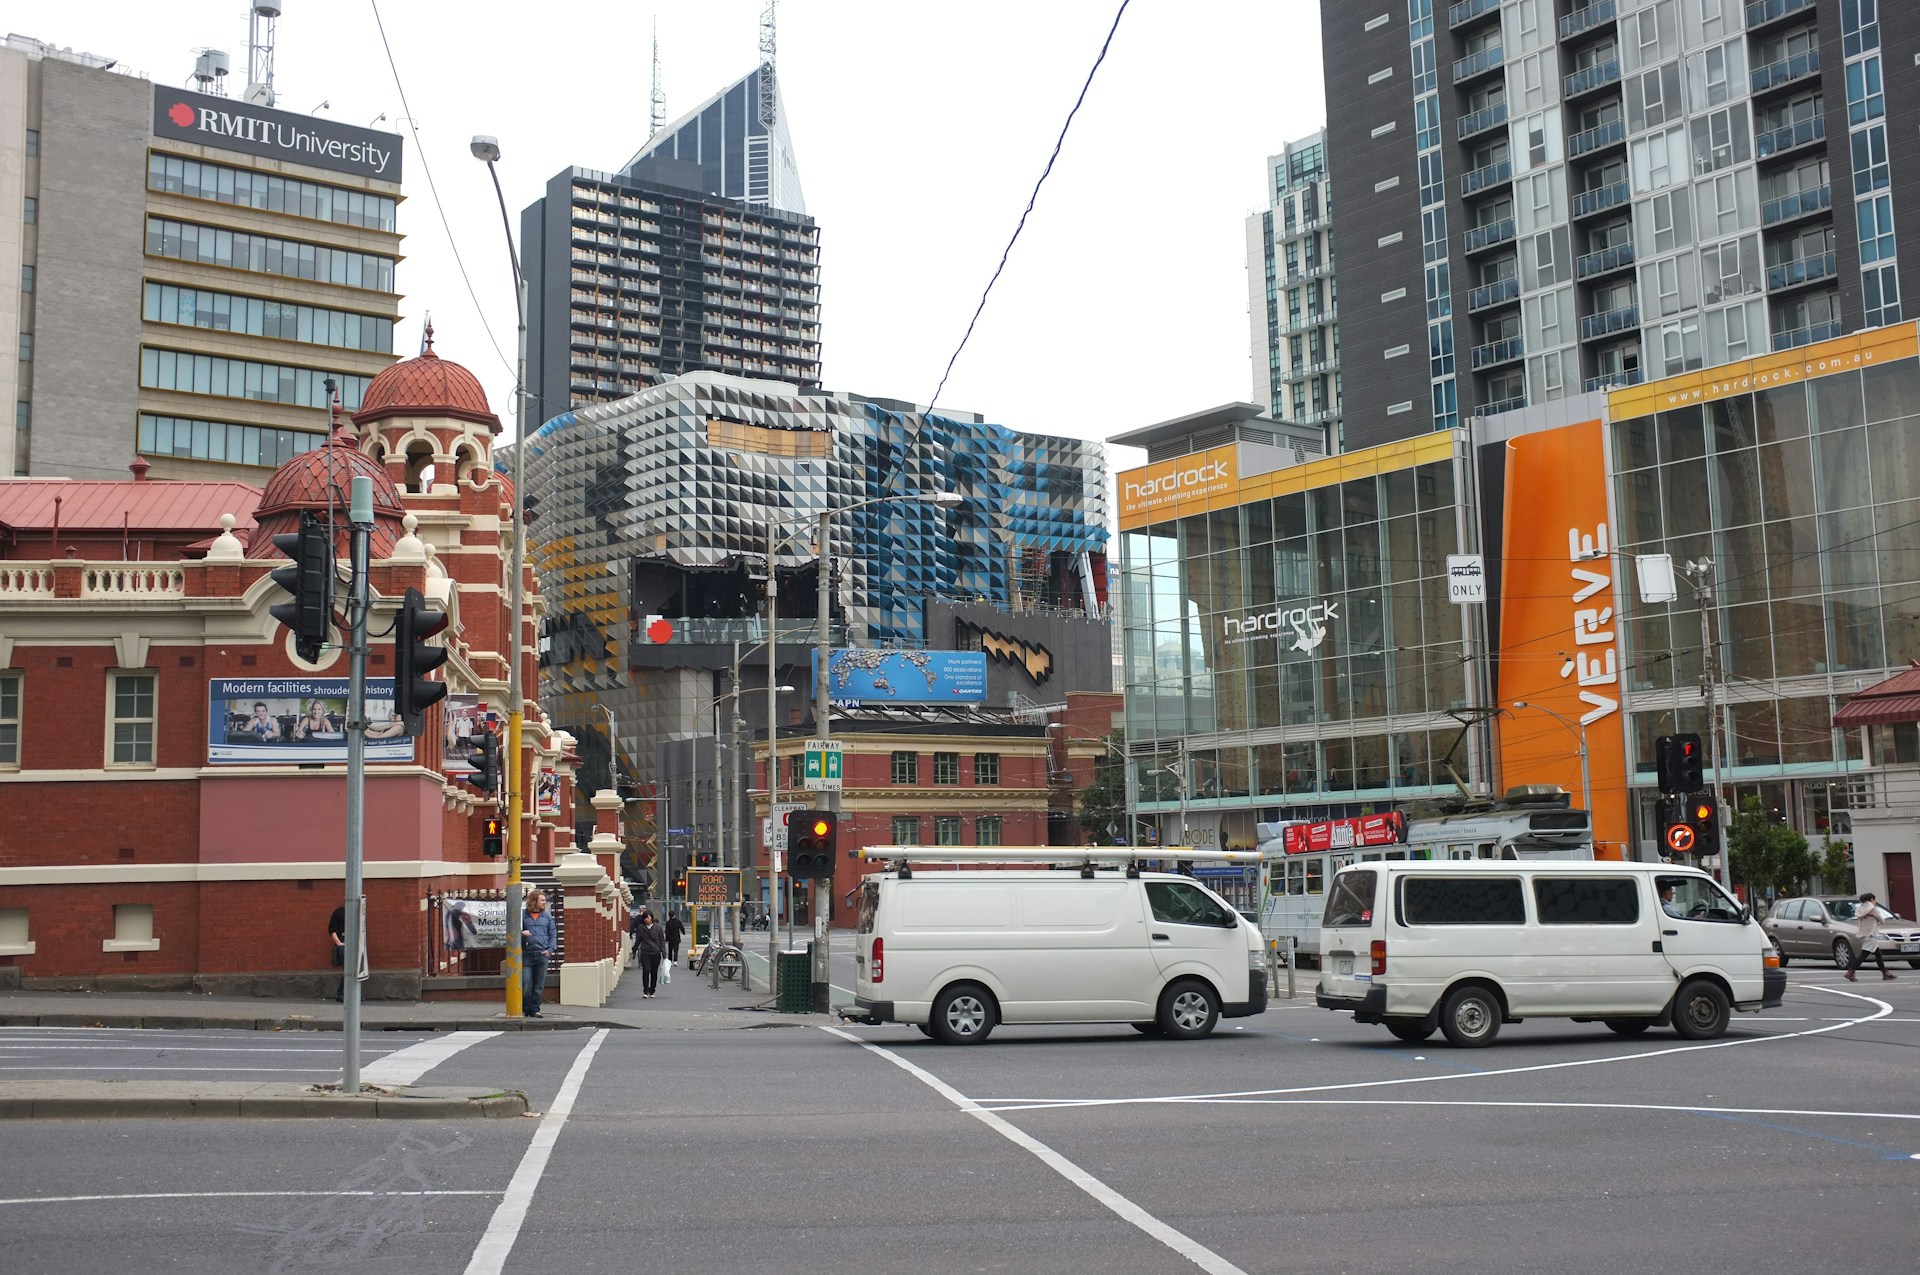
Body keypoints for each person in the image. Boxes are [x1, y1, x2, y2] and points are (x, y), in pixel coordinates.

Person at [1845, 891, 1898, 982]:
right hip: (1872, 933)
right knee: (1863, 954)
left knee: (1878, 954)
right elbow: (1882, 920)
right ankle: (1851, 971)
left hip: (1864, 933)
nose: (1875, 902)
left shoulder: (1860, 908)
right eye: (1874, 900)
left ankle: (1885, 973)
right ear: (1871, 899)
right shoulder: (1873, 908)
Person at [521, 890, 557, 1016]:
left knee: (538, 985)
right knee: (526, 984)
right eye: (541, 900)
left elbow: (553, 934)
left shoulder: (547, 916)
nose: (544, 902)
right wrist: (522, 933)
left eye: (544, 900)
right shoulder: (523, 916)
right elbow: (514, 932)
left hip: (542, 955)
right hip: (527, 954)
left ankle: (535, 1009)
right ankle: (525, 1009)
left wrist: (550, 950)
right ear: (534, 901)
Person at [634, 908, 667, 999]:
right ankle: (646, 990)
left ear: (651, 918)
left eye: (647, 918)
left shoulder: (658, 927)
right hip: (645, 952)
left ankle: (652, 989)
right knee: (646, 970)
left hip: (656, 952)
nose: (646, 920)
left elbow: (662, 940)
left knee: (654, 972)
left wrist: (664, 953)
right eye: (644, 918)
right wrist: (634, 949)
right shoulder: (641, 928)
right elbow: (638, 940)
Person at [327, 904, 347, 1001]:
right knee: (349, 969)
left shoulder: (358, 913)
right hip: (343, 944)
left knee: (353, 970)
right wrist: (339, 944)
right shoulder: (339, 912)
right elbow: (332, 929)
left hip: (355, 946)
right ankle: (341, 993)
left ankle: (342, 993)